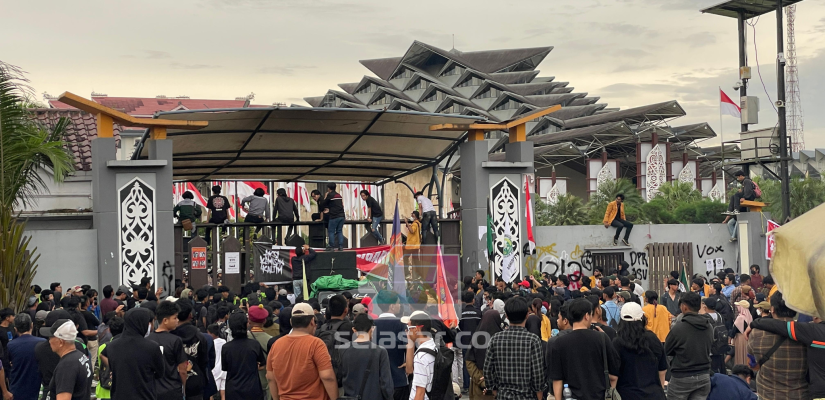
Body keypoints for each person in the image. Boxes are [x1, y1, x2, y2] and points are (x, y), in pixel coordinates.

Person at [749, 305, 825, 399]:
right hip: (800, 393)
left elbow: (782, 326)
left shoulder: (814, 331)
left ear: (772, 309)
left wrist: (755, 323)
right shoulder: (811, 332)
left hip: (769, 393)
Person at [550, 299, 620, 400]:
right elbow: (614, 373)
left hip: (571, 396)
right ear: (587, 316)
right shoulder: (602, 338)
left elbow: (557, 379)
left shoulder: (559, 342)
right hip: (598, 395)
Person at [267, 303, 337, 399]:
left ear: (291, 322)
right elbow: (327, 376)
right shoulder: (316, 344)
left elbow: (271, 378)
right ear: (312, 321)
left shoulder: (276, 345)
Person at [747, 292, 810, 400]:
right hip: (799, 395)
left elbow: (752, 363)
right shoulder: (807, 333)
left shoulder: (757, 333)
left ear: (772, 309)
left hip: (768, 394)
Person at [482, 296, 543, 399]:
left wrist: (493, 390)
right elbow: (538, 374)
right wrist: (539, 396)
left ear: (507, 316)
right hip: (527, 396)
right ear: (527, 315)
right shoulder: (533, 340)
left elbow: (487, 370)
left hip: (503, 395)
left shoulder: (495, 339)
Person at [664, 292, 714, 400]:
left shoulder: (679, 328)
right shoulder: (708, 326)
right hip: (704, 375)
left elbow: (667, 349)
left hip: (681, 376)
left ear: (684, 307)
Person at [612, 302, 667, 400]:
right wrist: (660, 388)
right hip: (654, 394)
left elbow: (613, 375)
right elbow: (662, 369)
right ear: (642, 318)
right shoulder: (652, 338)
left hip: (627, 394)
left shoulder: (617, 342)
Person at [338, 314, 393, 399]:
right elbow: (386, 384)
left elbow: (339, 378)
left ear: (354, 330)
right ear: (372, 329)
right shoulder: (380, 351)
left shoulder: (342, 349)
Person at [40, 318, 92, 400]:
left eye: (51, 337)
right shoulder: (81, 356)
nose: (49, 340)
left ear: (60, 342)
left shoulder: (67, 366)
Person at [147, 301, 187, 400]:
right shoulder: (175, 340)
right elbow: (182, 370)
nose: (177, 320)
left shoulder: (147, 340)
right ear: (165, 320)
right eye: (175, 318)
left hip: (152, 390)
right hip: (172, 389)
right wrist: (184, 388)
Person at [221, 313, 267, 400]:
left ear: (230, 327)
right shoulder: (254, 344)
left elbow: (225, 368)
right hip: (252, 389)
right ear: (247, 324)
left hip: (233, 390)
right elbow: (262, 365)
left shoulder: (226, 347)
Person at [373, 291, 409, 400]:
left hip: (377, 380)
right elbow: (408, 345)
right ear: (392, 306)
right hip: (399, 379)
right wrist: (408, 362)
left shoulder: (372, 325)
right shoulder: (401, 324)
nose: (399, 305)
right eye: (398, 303)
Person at [171, 300, 209, 400]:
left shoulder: (170, 336)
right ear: (190, 315)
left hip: (173, 383)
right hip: (196, 382)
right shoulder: (200, 336)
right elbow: (204, 362)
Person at [8, 313, 45, 400]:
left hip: (17, 390)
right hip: (38, 388)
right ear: (31, 325)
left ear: (15, 329)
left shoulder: (10, 345)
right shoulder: (42, 343)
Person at [466, 310, 501, 400]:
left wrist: (482, 381)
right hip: (498, 388)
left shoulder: (477, 337)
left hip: (479, 388)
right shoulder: (501, 339)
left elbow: (469, 362)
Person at [96, 316, 124, 400]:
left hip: (104, 389)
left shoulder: (102, 347)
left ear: (109, 330)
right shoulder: (126, 347)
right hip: (120, 390)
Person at [247, 304, 272, 397]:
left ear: (249, 320)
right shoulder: (270, 340)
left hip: (248, 383)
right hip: (266, 383)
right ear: (264, 321)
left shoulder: (243, 339)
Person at [702, 297, 728, 374]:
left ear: (705, 306)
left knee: (712, 370)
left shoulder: (704, 318)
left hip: (710, 348)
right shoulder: (719, 316)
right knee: (720, 367)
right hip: (720, 346)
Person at [321, 183, 345, 251]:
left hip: (334, 216)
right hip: (342, 216)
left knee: (331, 231)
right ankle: (341, 247)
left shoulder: (330, 195)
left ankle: (331, 246)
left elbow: (324, 203)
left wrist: (325, 196)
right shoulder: (339, 195)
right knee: (339, 231)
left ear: (329, 188)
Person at [207, 324, 227, 400]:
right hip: (224, 369)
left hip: (215, 370)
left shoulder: (211, 343)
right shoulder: (224, 341)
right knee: (223, 393)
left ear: (211, 333)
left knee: (211, 394)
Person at [731, 299, 752, 366]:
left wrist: (731, 338)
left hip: (740, 338)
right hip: (747, 338)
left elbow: (734, 330)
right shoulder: (749, 316)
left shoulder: (740, 318)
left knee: (740, 354)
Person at [405, 211, 422, 278]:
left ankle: (407, 273)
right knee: (416, 260)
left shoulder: (415, 224)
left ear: (415, 216)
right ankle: (419, 275)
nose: (411, 217)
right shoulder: (418, 224)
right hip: (416, 245)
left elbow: (412, 231)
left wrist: (406, 222)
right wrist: (408, 225)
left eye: (412, 216)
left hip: (412, 245)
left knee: (404, 257)